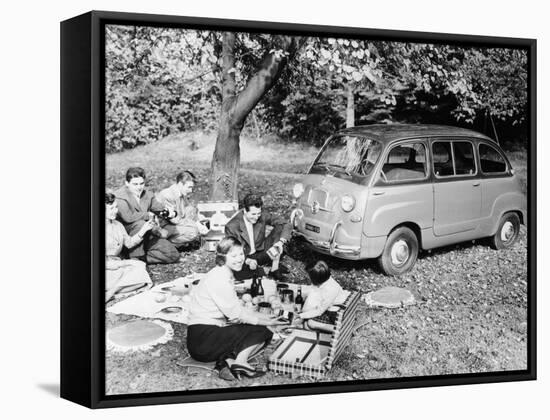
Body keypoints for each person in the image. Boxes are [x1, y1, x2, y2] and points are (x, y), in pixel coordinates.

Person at [186, 237, 285, 381]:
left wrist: (268, 318)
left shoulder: (223, 273)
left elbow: (237, 308)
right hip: (203, 340)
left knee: (258, 328)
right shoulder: (219, 279)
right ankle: (240, 362)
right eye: (233, 256)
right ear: (222, 257)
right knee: (262, 331)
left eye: (241, 254)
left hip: (203, 338)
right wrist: (266, 322)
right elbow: (236, 315)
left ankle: (228, 361)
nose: (239, 259)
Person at [114, 167, 181, 264]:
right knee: (140, 224)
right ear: (127, 183)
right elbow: (128, 217)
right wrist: (148, 215)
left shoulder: (147, 194)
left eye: (141, 183)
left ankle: (141, 258)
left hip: (147, 233)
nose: (139, 187)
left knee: (173, 255)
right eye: (135, 184)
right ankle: (135, 257)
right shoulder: (120, 196)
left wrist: (170, 212)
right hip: (128, 238)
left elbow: (159, 207)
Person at [224, 193, 292, 281]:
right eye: (253, 214)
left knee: (281, 227)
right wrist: (247, 261)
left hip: (261, 252)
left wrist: (280, 242)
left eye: (258, 214)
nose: (256, 217)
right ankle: (265, 270)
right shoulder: (231, 226)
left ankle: (274, 268)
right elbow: (231, 253)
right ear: (245, 211)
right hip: (245, 257)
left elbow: (286, 224)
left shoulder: (262, 214)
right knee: (237, 272)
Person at [105, 192, 154, 302]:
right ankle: (116, 289)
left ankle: (113, 290)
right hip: (105, 269)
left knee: (141, 269)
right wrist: (125, 263)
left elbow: (129, 243)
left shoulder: (117, 225)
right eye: (111, 208)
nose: (115, 211)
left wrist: (144, 229)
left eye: (116, 207)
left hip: (118, 266)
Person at [155, 171, 209, 248]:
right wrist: (196, 225)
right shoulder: (168, 195)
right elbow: (175, 220)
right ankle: (165, 245)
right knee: (193, 232)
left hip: (172, 222)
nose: (191, 190)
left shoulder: (180, 192)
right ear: (180, 184)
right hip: (162, 227)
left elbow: (189, 210)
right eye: (189, 187)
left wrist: (200, 220)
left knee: (191, 209)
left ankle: (180, 238)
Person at [295, 260, 349, 332]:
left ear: (315, 278)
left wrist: (301, 315)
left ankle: (339, 330)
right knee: (306, 325)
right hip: (331, 308)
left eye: (309, 276)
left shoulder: (330, 290)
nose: (308, 278)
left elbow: (319, 311)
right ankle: (318, 329)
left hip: (335, 314)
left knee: (310, 323)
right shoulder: (325, 280)